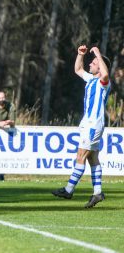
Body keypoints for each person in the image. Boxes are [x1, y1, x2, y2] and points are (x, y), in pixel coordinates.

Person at [52, 45, 111, 208]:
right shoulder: (92, 79)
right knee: (92, 159)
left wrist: (98, 54)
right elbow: (78, 69)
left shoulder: (102, 82)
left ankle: (69, 189)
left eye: (93, 63)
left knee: (80, 156)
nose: (90, 65)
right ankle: (98, 192)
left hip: (93, 125)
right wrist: (80, 54)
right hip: (89, 124)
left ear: (100, 65)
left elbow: (105, 74)